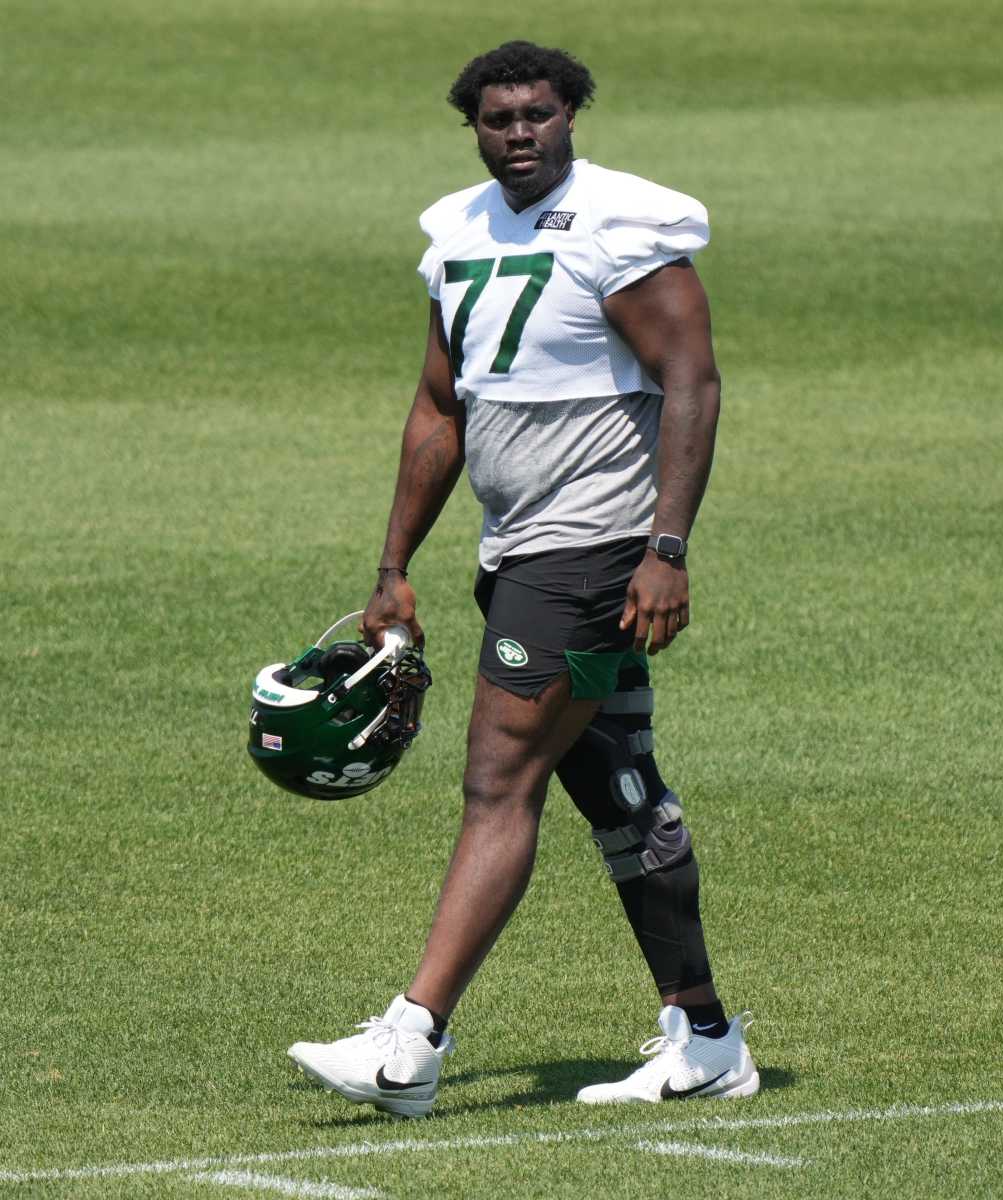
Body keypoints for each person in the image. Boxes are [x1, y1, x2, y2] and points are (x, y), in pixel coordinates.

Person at [287, 40, 758, 1117]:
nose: (519, 134)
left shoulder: (626, 227)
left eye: (538, 115)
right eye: (498, 119)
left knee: (499, 782)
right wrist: (394, 565)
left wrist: (665, 547)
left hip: (592, 555)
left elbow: (692, 379)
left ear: (571, 116)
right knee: (617, 787)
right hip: (513, 552)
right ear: (475, 126)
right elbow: (439, 408)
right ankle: (707, 1038)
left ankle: (409, 1045)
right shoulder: (455, 233)